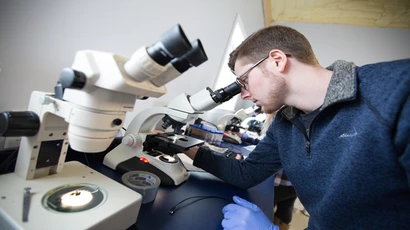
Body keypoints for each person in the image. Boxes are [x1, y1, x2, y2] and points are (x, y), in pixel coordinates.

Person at [183, 25, 410, 229]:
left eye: (244, 81)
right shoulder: (285, 123)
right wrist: (184, 147)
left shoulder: (396, 89)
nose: (244, 94)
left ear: (277, 60)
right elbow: (247, 174)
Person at [235, 113, 298, 230]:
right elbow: (267, 142)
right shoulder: (295, 118)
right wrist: (243, 136)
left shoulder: (283, 118)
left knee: (263, 210)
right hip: (295, 184)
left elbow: (268, 145)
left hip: (281, 183)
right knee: (285, 209)